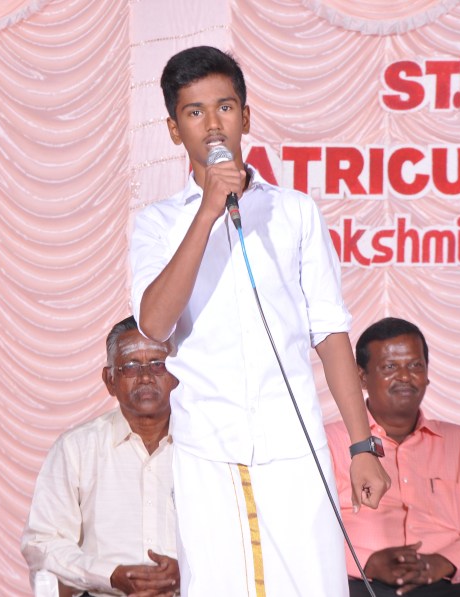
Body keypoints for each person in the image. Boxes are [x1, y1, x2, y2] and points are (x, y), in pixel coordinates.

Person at [128, 46, 389, 596]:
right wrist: (207, 211)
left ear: (245, 117)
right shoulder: (157, 224)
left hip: (294, 446)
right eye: (194, 112)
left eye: (224, 107)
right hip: (208, 449)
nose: (212, 123)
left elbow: (329, 333)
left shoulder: (294, 212)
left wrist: (362, 446)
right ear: (174, 130)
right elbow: (154, 324)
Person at [326, 317, 460, 597]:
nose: (405, 376)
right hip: (359, 584)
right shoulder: (331, 442)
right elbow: (301, 529)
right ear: (362, 377)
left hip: (444, 585)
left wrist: (444, 561)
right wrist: (366, 562)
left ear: (428, 374)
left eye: (415, 365)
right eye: (390, 367)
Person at [21, 316, 180, 597]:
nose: (145, 377)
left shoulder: (204, 449)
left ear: (177, 375)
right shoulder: (77, 448)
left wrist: (187, 572)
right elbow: (42, 544)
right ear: (110, 380)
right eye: (131, 367)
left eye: (158, 364)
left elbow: (234, 536)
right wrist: (111, 575)